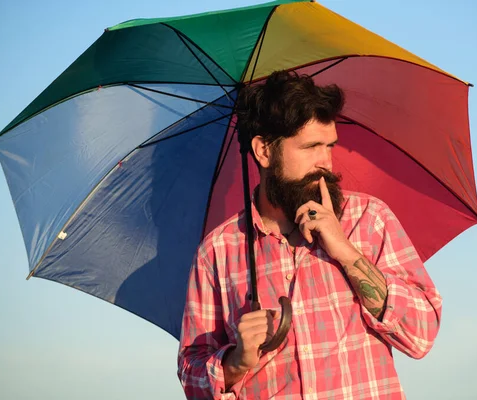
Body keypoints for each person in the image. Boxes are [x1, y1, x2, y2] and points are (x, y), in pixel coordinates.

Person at [177, 71, 442, 399]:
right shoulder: (217, 252)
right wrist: (234, 361)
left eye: (329, 146)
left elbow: (422, 335)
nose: (326, 163)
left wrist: (345, 250)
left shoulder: (368, 220)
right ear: (263, 150)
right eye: (311, 147)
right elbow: (192, 374)